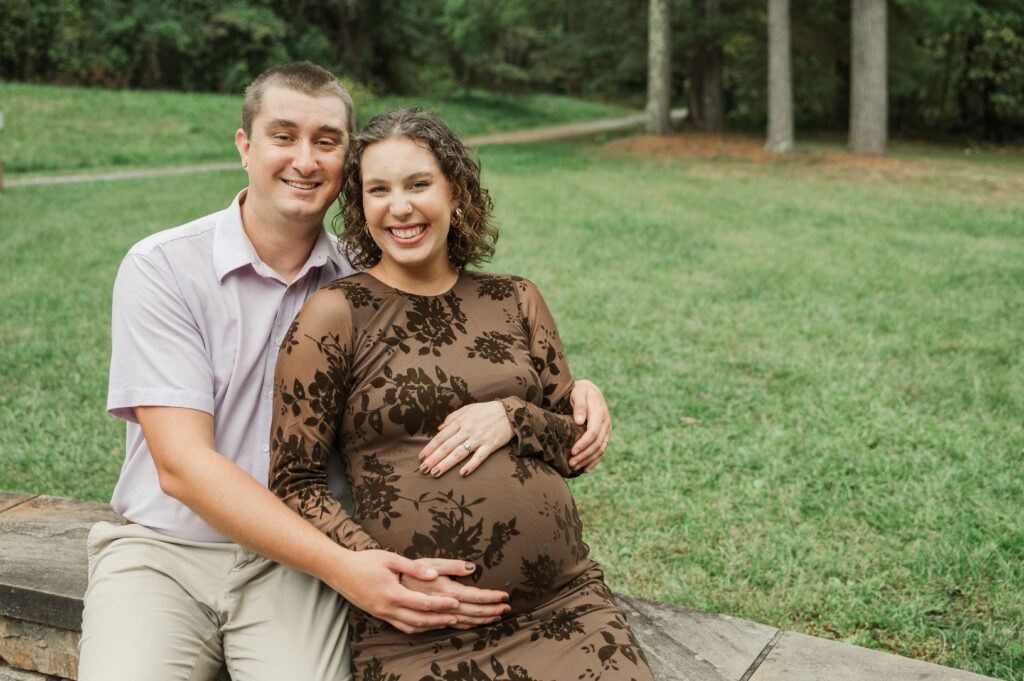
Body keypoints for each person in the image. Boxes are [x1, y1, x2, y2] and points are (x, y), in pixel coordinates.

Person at [80, 62, 612, 681]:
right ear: (244, 147)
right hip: (168, 552)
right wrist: (349, 567)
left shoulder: (380, 274)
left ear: (344, 167)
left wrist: (570, 396)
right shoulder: (165, 267)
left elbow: (471, 357)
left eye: (326, 141)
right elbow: (182, 467)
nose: (305, 160)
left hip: (293, 570)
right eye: (283, 136)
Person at [269, 108, 652, 681]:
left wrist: (513, 416)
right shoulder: (335, 314)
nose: (399, 206)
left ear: (457, 195)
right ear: (361, 208)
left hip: (565, 611)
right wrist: (381, 568)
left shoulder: (516, 299)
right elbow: (294, 482)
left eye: (418, 184)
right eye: (379, 190)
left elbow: (574, 446)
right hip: (415, 627)